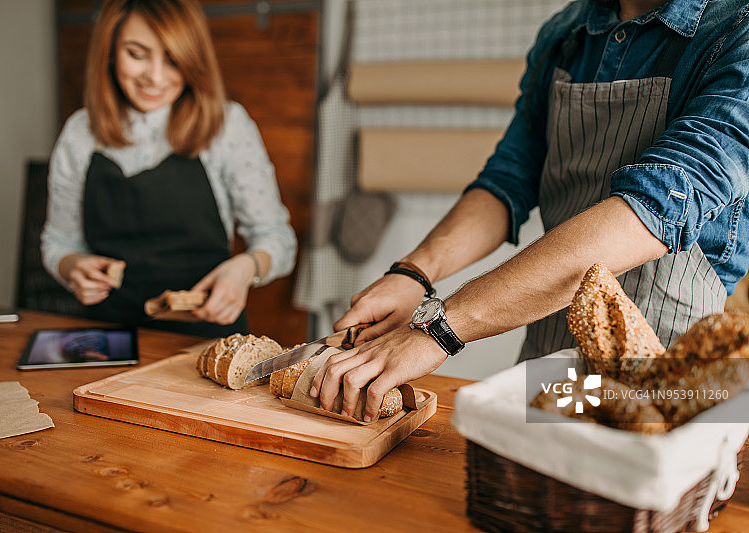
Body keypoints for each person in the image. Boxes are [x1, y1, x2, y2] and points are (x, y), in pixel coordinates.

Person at [310, 0, 749, 422]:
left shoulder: (737, 32)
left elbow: (648, 212)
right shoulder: (567, 31)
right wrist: (413, 274)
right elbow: (508, 182)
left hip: (662, 382)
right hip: (547, 364)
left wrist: (438, 329)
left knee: (618, 489)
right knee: (527, 483)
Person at [41, 0, 296, 337]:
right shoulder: (79, 133)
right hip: (107, 340)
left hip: (205, 342)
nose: (155, 77)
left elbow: (278, 238)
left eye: (173, 59)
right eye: (137, 54)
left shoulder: (227, 125)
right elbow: (57, 242)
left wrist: (247, 268)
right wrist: (72, 267)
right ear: (111, 50)